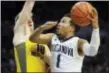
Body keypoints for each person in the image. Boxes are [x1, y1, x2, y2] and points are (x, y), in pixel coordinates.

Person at [29, 7, 100, 72]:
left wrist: (95, 28)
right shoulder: (52, 38)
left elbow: (92, 51)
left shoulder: (78, 42)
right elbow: (33, 39)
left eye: (63, 22)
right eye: (60, 21)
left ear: (72, 28)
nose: (59, 24)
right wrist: (42, 28)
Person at [13, 1, 51, 72]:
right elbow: (28, 5)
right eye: (26, 18)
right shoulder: (20, 36)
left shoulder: (43, 43)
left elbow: (53, 63)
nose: (30, 20)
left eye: (31, 18)